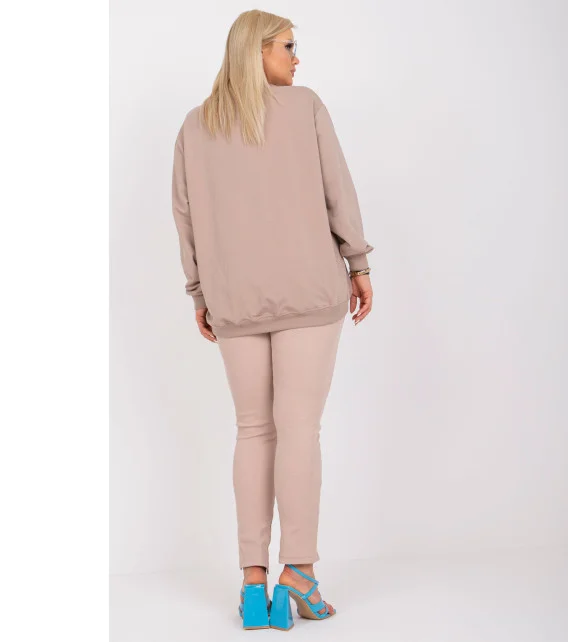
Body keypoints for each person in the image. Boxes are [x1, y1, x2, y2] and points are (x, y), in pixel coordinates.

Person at [170, 9, 374, 629]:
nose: (296, 57)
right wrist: (358, 261)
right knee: (299, 429)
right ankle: (300, 574)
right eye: (287, 46)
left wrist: (200, 291)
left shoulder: (196, 125)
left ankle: (253, 584)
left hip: (233, 299)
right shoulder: (305, 106)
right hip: (308, 291)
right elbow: (337, 188)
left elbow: (185, 216)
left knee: (253, 430)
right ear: (256, 50)